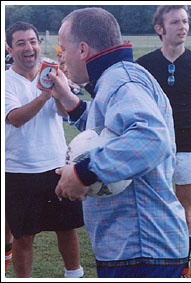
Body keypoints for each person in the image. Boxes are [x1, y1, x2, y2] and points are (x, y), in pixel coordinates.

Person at [49, 7, 190, 278]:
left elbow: (151, 137)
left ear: (82, 50)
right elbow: (111, 129)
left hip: (141, 250)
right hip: (137, 249)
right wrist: (71, 102)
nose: (62, 57)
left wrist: (83, 173)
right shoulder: (117, 77)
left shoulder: (121, 80)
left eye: (62, 48)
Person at [5, 21, 84, 278]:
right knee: (23, 237)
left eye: (32, 41)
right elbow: (16, 118)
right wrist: (45, 95)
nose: (28, 48)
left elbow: (64, 112)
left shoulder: (52, 71)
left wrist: (61, 89)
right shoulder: (6, 81)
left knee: (67, 228)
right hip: (19, 171)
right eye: (21, 43)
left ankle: (74, 275)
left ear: (39, 44)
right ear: (9, 49)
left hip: (57, 165)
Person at [136, 6, 191, 276]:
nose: (183, 26)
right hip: (153, 148)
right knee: (153, 206)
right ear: (160, 29)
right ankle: (153, 261)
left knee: (187, 209)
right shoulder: (144, 66)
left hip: (188, 147)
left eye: (185, 21)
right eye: (175, 22)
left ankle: (184, 264)